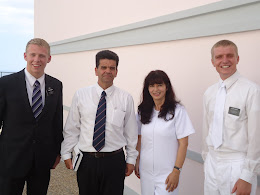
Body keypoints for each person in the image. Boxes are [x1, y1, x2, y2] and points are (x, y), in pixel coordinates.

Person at [61, 50, 138, 195]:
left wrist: (131, 158)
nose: (107, 71)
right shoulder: (81, 95)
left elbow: (131, 132)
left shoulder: (126, 98)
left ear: (116, 71)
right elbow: (72, 128)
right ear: (96, 70)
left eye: (112, 68)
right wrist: (66, 153)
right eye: (104, 67)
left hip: (114, 161)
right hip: (86, 161)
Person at [0, 38, 63, 195]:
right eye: (33, 55)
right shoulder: (6, 84)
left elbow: (57, 121)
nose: (37, 60)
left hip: (42, 160)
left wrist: (58, 151)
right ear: (25, 56)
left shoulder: (56, 85)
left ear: (49, 58)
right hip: (11, 158)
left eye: (42, 56)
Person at [202, 40, 260, 195]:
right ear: (213, 62)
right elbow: (206, 129)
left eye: (229, 55)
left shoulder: (251, 91)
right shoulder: (209, 93)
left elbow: (256, 137)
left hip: (237, 166)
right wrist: (207, 160)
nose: (225, 60)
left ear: (237, 59)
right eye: (219, 57)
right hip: (212, 164)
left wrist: (247, 176)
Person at [135, 70, 195, 195]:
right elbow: (140, 138)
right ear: (147, 89)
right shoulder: (143, 111)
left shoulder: (178, 111)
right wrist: (137, 161)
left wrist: (176, 171)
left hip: (167, 174)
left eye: (159, 85)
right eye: (152, 86)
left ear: (167, 87)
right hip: (146, 173)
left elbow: (183, 144)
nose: (156, 89)